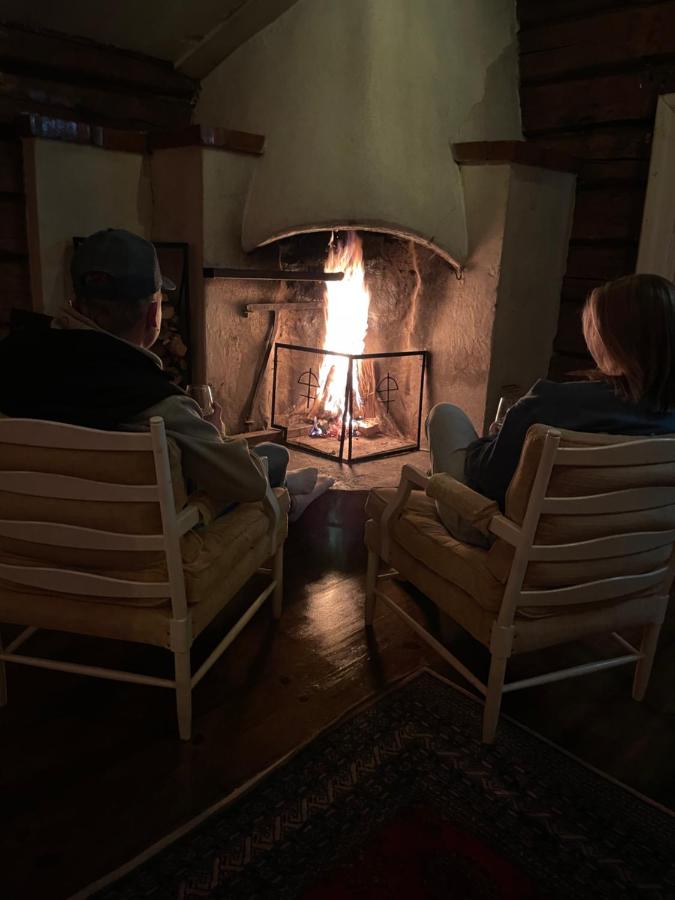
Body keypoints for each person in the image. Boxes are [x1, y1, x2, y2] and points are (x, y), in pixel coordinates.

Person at [0, 228, 328, 514]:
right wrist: (212, 432)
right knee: (267, 459)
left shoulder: (13, 360)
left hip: (28, 548)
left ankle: (287, 488)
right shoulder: (157, 403)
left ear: (75, 304)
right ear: (154, 314)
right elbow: (247, 483)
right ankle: (287, 496)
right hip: (126, 553)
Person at [427, 273, 675, 540]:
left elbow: (487, 479)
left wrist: (492, 441)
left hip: (507, 537)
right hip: (620, 554)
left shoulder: (550, 401)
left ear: (613, 340)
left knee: (445, 415)